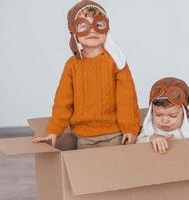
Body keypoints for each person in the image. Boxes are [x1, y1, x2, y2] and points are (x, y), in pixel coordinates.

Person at [32, 0, 140, 149]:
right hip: (84, 137)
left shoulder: (117, 62)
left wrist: (130, 129)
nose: (92, 30)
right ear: (74, 33)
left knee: (114, 170)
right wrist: (54, 131)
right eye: (83, 26)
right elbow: (63, 102)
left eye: (99, 24)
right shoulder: (72, 65)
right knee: (88, 171)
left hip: (115, 134)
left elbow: (126, 98)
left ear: (106, 29)